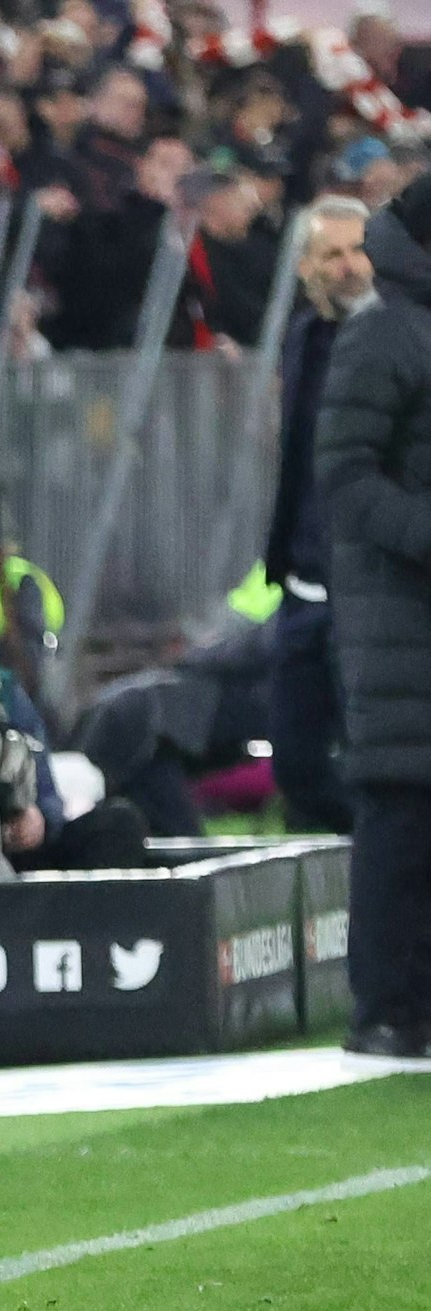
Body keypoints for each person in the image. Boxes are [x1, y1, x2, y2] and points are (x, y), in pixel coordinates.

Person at [316, 173, 431, 1059]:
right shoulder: (383, 332)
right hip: (400, 612)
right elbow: (347, 478)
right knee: (400, 808)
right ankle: (386, 1007)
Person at [262, 196, 374, 837]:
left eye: (358, 250)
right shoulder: (302, 338)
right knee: (296, 763)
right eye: (331, 254)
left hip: (365, 588)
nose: (348, 266)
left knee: (372, 758)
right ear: (305, 266)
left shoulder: (396, 340)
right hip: (302, 587)